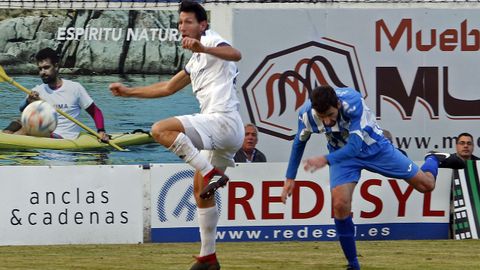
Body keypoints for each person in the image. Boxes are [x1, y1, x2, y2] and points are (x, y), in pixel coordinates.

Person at [108, 2, 243, 269]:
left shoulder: (212, 41)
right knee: (201, 192)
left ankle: (210, 172)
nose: (183, 27)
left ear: (202, 25)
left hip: (222, 121)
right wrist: (129, 92)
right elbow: (168, 88)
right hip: (224, 130)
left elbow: (236, 54)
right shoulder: (195, 59)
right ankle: (209, 257)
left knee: (160, 130)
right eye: (180, 22)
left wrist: (203, 46)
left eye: (188, 21)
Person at [280, 85, 464, 270]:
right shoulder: (306, 114)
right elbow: (299, 143)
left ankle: (433, 158)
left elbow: (354, 147)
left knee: (426, 185)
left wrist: (325, 159)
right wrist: (290, 177)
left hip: (375, 148)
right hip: (342, 156)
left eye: (330, 114)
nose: (327, 122)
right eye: (322, 117)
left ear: (337, 104)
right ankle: (353, 265)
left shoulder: (352, 103)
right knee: (340, 204)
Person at [2, 47, 109, 141]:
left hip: (64, 136)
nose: (43, 72)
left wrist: (101, 130)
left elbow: (95, 111)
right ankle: (5, 136)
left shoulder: (75, 88)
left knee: (26, 128)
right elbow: (21, 109)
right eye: (40, 69)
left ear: (56, 66)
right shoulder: (38, 90)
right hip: (43, 131)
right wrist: (28, 101)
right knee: (18, 121)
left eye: (46, 67)